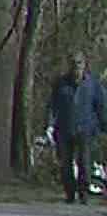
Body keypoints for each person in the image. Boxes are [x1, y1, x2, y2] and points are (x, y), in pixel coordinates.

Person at [44, 52, 106, 204]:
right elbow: (52, 106)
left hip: (86, 128)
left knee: (84, 162)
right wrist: (49, 126)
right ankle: (70, 193)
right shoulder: (61, 84)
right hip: (64, 128)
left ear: (84, 64)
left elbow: (102, 105)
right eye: (73, 63)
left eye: (79, 63)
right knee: (66, 164)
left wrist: (104, 124)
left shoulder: (92, 83)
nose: (76, 66)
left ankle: (83, 192)